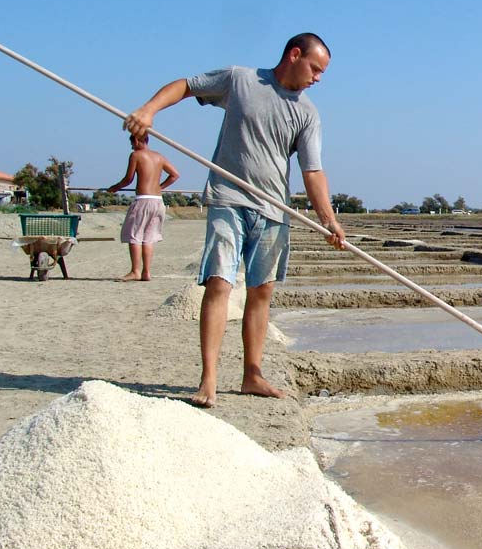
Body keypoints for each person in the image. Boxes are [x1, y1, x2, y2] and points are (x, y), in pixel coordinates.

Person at [123, 33, 346, 408]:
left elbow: (313, 172)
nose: (318, 78)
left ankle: (252, 375)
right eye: (315, 68)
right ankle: (208, 379)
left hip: (275, 210)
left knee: (261, 293)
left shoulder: (307, 112)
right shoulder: (240, 80)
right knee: (219, 284)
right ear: (295, 55)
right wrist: (148, 111)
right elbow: (186, 86)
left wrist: (328, 219)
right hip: (229, 198)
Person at [108, 133, 179, 281]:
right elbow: (174, 174)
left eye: (132, 142)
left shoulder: (136, 155)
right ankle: (146, 272)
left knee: (134, 235)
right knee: (148, 237)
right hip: (158, 201)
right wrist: (160, 187)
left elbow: (128, 179)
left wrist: (115, 187)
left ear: (139, 140)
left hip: (143, 200)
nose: (131, 146)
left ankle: (135, 271)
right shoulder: (159, 156)